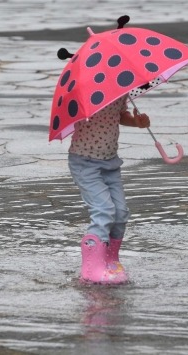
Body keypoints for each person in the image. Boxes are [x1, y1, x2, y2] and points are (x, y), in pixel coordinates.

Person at [68, 94, 150, 284]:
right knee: (104, 210)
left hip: (110, 162)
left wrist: (136, 122)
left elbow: (120, 115)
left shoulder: (119, 91)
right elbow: (74, 114)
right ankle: (91, 268)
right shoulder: (84, 93)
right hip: (84, 162)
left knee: (120, 213)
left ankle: (110, 260)